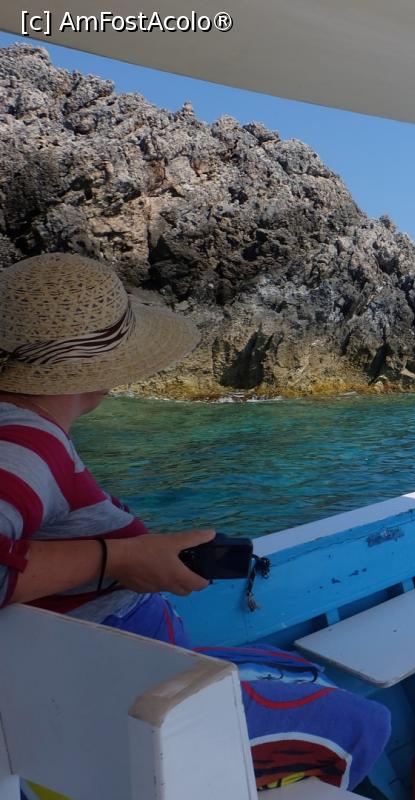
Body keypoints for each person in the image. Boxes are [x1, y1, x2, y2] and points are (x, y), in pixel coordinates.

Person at [0, 253, 388, 792]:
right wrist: (123, 558)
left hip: (97, 695)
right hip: (132, 714)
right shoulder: (27, 444)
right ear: (97, 369)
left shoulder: (21, 431)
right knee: (367, 721)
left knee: (307, 673)